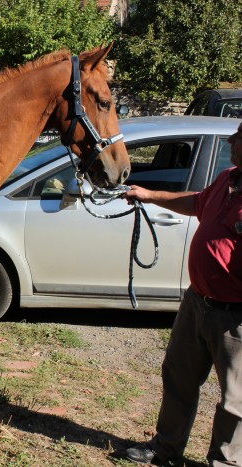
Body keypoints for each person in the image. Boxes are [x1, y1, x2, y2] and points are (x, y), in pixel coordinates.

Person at [122, 120, 242, 466]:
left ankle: (225, 462)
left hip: (235, 316)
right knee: (178, 377)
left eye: (240, 135)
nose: (231, 140)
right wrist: (149, 195)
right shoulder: (228, 178)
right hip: (198, 302)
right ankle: (166, 447)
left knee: (235, 399)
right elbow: (197, 202)